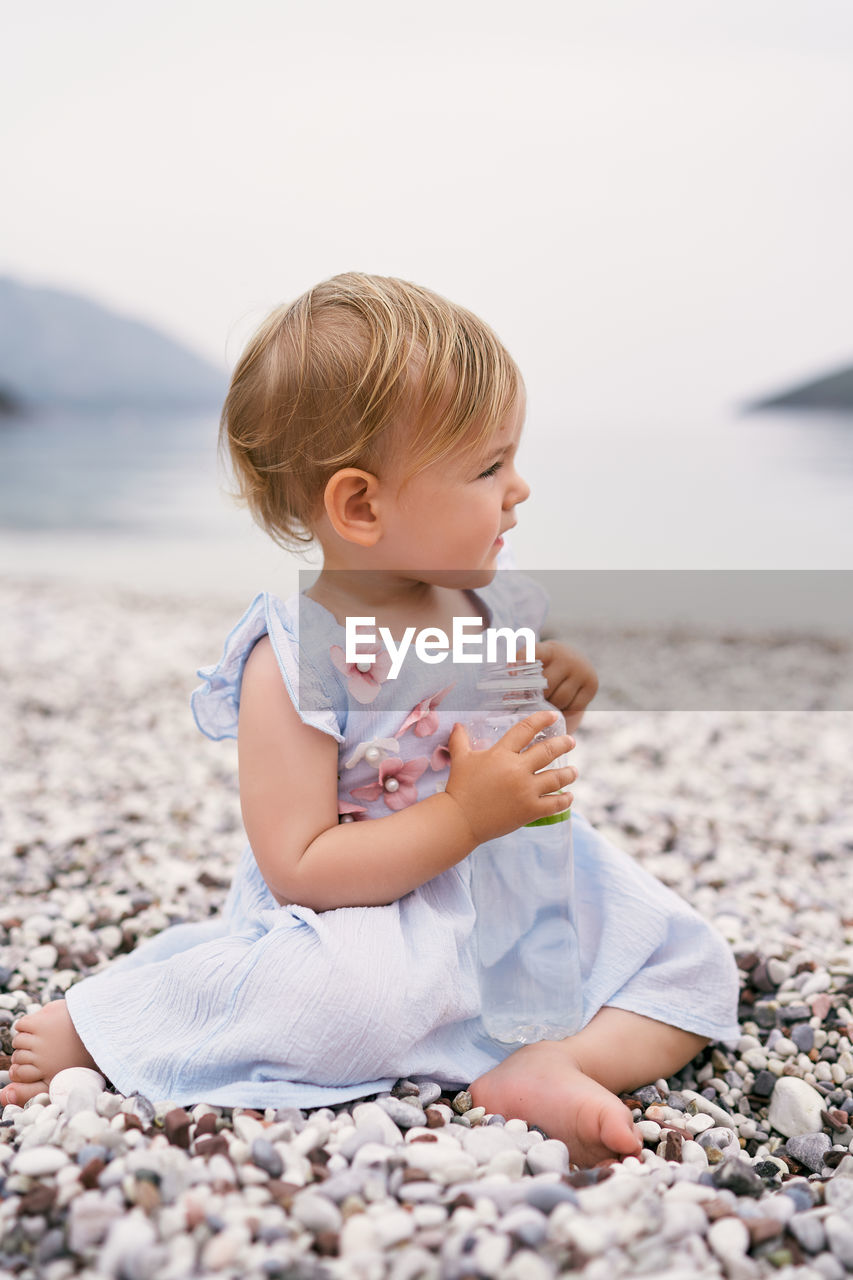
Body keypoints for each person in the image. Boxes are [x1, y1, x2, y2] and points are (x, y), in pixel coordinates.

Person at [1, 274, 740, 1166]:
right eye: (487, 467)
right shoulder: (296, 662)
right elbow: (302, 867)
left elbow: (507, 722)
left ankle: (552, 1064)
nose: (521, 489)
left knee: (691, 963)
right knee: (343, 1003)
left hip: (513, 879)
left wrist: (553, 684)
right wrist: (463, 815)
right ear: (360, 506)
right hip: (366, 910)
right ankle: (113, 1021)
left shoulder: (487, 607)